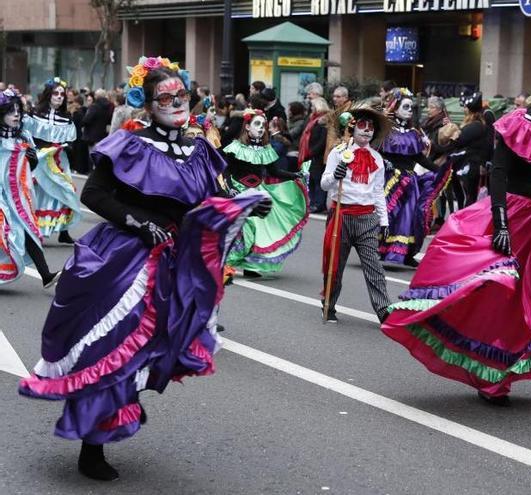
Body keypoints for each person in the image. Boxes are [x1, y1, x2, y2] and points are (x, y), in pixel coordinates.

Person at [18, 58, 271, 481]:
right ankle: (92, 444)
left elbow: (216, 198)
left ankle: (117, 410)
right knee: (112, 348)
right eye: (166, 98)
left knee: (156, 348)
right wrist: (139, 222)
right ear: (148, 104)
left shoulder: (200, 149)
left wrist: (250, 203)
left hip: (174, 263)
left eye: (181, 97)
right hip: (124, 261)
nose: (176, 104)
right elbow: (95, 195)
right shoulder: (130, 144)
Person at [381, 50, 531, 406]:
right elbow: (498, 173)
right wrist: (502, 222)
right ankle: (492, 377)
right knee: (502, 294)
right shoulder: (518, 121)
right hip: (515, 215)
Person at [321, 105, 393, 323]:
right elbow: (325, 184)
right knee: (335, 267)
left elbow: (378, 191)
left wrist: (384, 220)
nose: (367, 130)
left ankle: (383, 310)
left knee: (374, 267)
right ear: (352, 127)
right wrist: (336, 174)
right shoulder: (339, 152)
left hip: (367, 219)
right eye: (362, 125)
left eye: (371, 127)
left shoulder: (377, 159)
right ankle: (329, 305)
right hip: (341, 215)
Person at [224, 109, 308, 277]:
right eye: (257, 124)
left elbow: (274, 171)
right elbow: (225, 169)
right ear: (247, 127)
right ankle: (227, 263)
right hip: (240, 192)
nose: (261, 128)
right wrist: (230, 188)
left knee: (260, 230)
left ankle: (251, 265)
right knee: (246, 229)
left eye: (263, 125)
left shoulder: (265, 148)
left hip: (258, 192)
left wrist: (295, 175)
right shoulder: (235, 147)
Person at [377, 87, 444, 267]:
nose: (409, 111)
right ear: (395, 107)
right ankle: (379, 248)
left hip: (409, 181)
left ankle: (406, 254)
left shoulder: (414, 133)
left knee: (411, 217)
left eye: (411, 108)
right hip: (389, 179)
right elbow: (376, 153)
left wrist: (439, 169)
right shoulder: (386, 130)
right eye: (405, 107)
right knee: (388, 215)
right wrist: (384, 162)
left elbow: (419, 157)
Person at [0, 88, 60, 287]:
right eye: (10, 111)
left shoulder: (23, 136)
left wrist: (32, 160)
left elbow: (29, 167)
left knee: (27, 228)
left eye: (18, 110)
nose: (16, 114)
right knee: (4, 229)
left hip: (17, 193)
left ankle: (46, 275)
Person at [20, 77, 82, 244]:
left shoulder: (67, 118)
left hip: (59, 162)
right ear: (49, 95)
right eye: (56, 93)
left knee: (65, 191)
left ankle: (63, 231)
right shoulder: (34, 113)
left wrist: (67, 147)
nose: (59, 97)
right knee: (37, 194)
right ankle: (33, 230)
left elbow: (72, 141)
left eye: (62, 94)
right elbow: (26, 135)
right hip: (38, 161)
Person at [433, 91, 490, 207]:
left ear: (469, 110)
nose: (463, 109)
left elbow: (457, 141)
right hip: (467, 166)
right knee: (465, 197)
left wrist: (438, 145)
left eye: (464, 107)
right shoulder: (475, 125)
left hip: (470, 166)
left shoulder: (475, 126)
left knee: (469, 198)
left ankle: (464, 221)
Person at [299, 96, 331, 213]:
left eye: (313, 106)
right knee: (311, 179)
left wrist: (312, 152)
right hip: (309, 154)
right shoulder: (312, 119)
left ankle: (319, 204)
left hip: (317, 155)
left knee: (317, 180)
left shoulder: (324, 120)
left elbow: (323, 140)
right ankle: (312, 202)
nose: (311, 108)